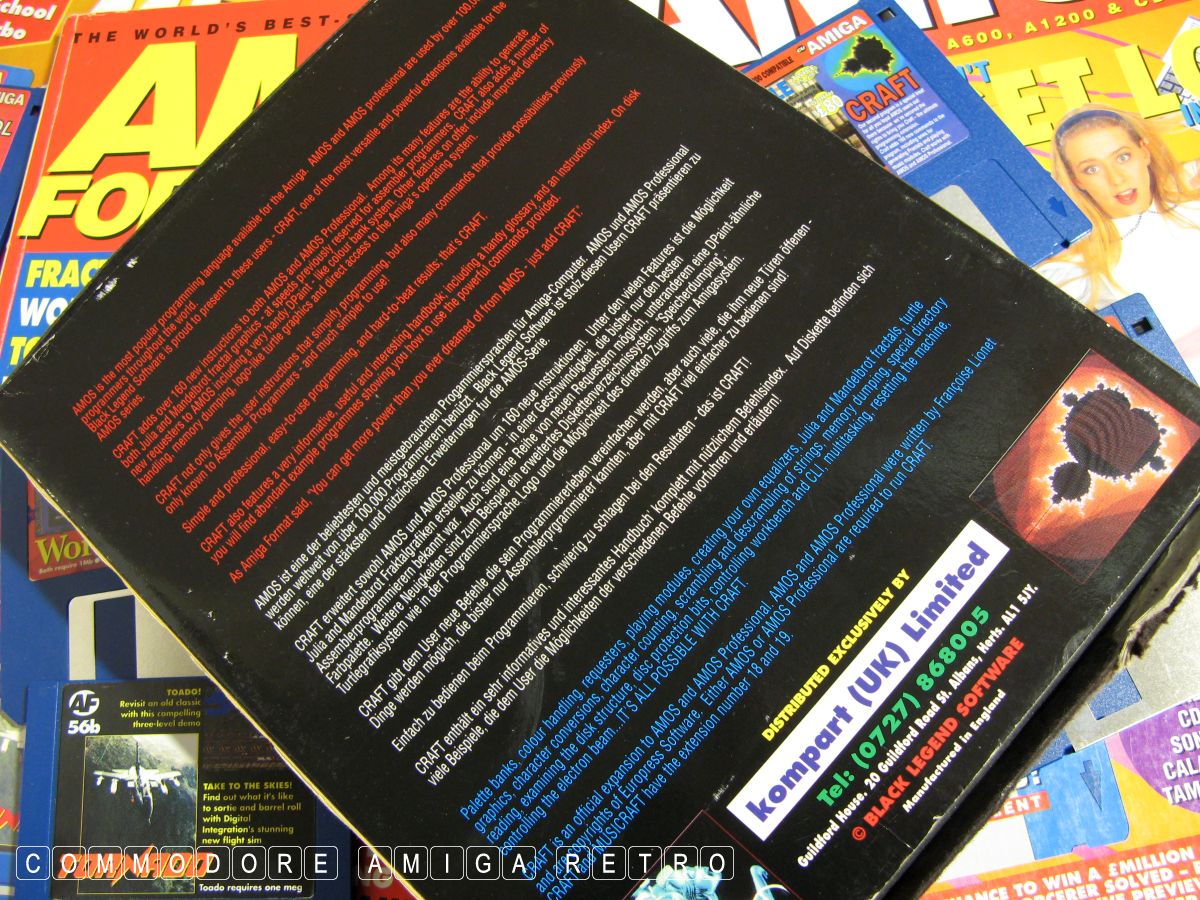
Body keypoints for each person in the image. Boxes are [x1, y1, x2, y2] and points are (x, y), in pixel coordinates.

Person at [1037, 104, 1200, 371]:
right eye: (1092, 169)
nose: (1116, 179)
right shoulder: (1075, 266)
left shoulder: (1192, 203)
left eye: (1123, 157)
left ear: (1144, 152)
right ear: (1076, 180)